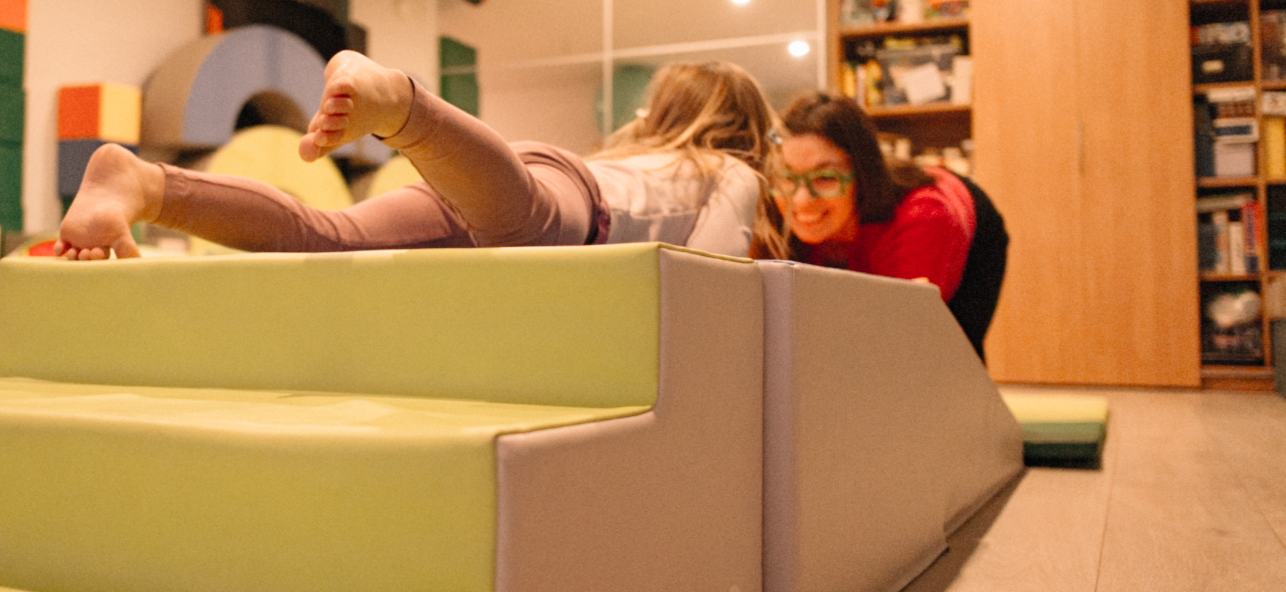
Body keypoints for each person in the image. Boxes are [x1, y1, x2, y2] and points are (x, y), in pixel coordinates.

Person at [56, 51, 780, 261]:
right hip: (567, 203)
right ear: (744, 130)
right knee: (525, 226)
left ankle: (144, 185)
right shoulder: (735, 171)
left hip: (511, 176)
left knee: (326, 238)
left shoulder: (647, 157)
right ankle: (404, 107)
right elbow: (716, 275)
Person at [751, 90, 1007, 362]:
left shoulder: (922, 218)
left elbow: (899, 342)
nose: (801, 201)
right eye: (786, 177)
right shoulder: (772, 210)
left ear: (863, 176)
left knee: (950, 358)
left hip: (968, 231)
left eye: (825, 177)